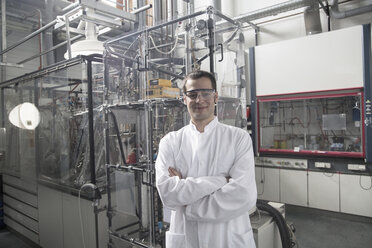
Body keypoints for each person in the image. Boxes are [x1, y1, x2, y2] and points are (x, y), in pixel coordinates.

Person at [155, 70, 257, 248]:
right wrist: (221, 181)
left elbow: (243, 195)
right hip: (186, 237)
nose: (199, 100)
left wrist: (189, 203)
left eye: (206, 93)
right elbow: (168, 194)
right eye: (192, 94)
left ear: (216, 97)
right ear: (184, 99)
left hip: (228, 239)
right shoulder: (170, 142)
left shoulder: (238, 138)